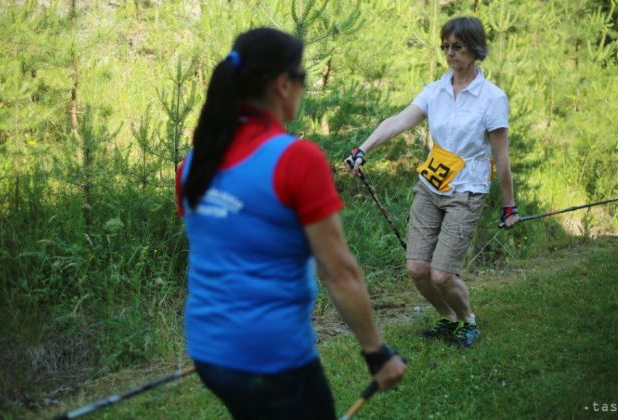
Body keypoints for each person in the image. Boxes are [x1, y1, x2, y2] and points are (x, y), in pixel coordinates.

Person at [175, 28, 406, 419]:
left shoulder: (194, 162)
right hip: (271, 358)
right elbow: (339, 271)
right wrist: (377, 353)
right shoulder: (296, 159)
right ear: (283, 85)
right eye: (301, 77)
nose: (303, 87)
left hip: (209, 350)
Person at [345, 16, 520, 348]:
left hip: (467, 191)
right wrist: (363, 149)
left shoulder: (492, 98)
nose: (450, 53)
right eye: (445, 47)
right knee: (416, 268)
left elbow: (502, 159)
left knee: (442, 274)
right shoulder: (436, 90)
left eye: (457, 46)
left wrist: (509, 206)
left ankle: (467, 322)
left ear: (475, 49)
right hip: (430, 186)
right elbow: (398, 121)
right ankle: (447, 318)